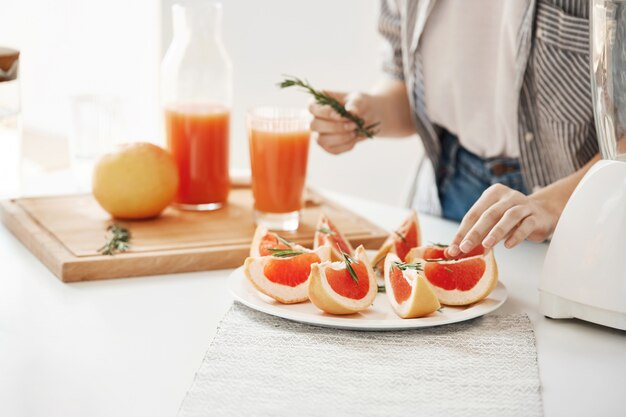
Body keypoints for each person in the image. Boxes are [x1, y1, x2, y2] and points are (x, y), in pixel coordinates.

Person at [309, 0, 599, 256]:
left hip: (580, 208)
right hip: (450, 188)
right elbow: (403, 79)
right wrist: (371, 111)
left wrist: (553, 203)